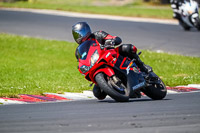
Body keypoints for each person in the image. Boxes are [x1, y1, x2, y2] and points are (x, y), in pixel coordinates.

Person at [72, 22, 152, 100]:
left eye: (80, 33)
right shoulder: (78, 51)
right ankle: (116, 87)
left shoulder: (98, 35)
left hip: (112, 56)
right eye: (76, 35)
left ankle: (143, 67)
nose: (79, 37)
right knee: (97, 93)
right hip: (97, 64)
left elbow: (113, 38)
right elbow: (82, 61)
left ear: (86, 30)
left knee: (127, 48)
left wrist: (111, 40)